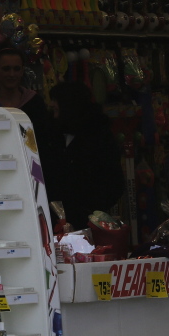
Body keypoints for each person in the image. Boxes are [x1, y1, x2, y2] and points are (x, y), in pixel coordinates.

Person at [46, 82, 125, 230]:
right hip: (54, 221)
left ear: (68, 103)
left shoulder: (98, 136)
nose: (51, 104)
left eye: (56, 100)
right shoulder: (51, 134)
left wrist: (91, 210)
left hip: (88, 222)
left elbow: (114, 182)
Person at [0, 46, 49, 134]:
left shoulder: (35, 103)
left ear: (22, 71)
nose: (12, 74)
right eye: (6, 69)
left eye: (16, 69)